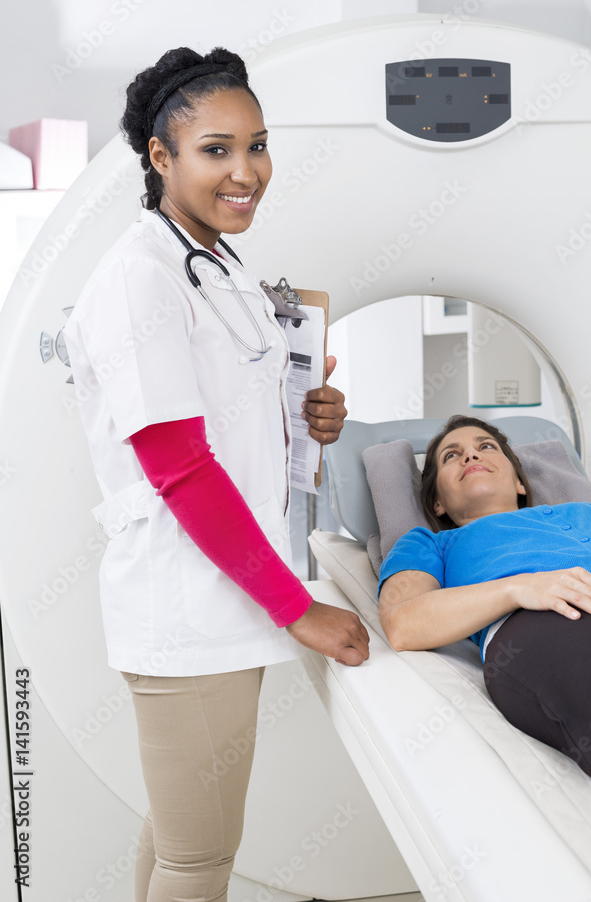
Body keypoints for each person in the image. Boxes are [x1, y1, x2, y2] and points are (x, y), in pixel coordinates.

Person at [63, 46, 369, 902]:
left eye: (258, 145)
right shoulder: (139, 280)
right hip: (187, 603)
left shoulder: (215, 263)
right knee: (200, 858)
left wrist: (306, 415)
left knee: (176, 837)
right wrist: (298, 607)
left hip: (221, 591)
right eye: (216, 150)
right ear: (160, 158)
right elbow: (182, 470)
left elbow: (228, 420)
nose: (247, 172)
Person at [378, 414, 591, 884]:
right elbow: (404, 622)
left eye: (486, 446)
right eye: (452, 456)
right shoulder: (433, 541)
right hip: (551, 621)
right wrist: (519, 589)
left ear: (518, 479)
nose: (471, 455)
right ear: (437, 500)